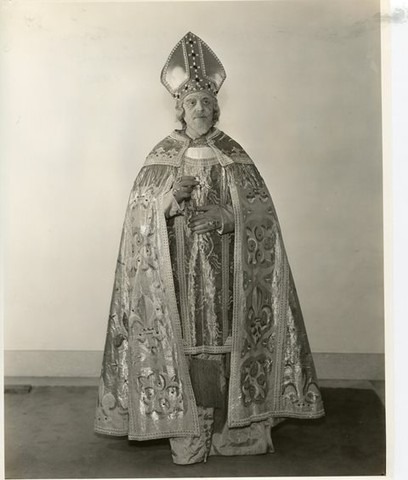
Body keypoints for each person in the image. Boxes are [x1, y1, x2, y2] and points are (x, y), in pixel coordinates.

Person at [94, 32, 324, 465]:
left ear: (215, 107)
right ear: (179, 109)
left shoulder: (233, 155)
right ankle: (190, 430)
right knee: (191, 351)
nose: (200, 108)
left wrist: (227, 217)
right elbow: (137, 222)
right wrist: (167, 203)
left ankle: (231, 428)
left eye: (206, 101)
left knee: (227, 349)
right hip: (177, 282)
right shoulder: (162, 157)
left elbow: (263, 218)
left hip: (229, 282)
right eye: (192, 102)